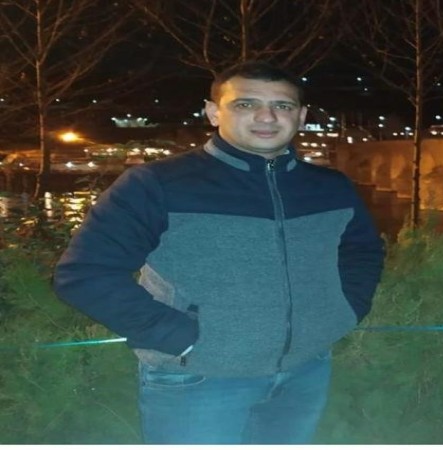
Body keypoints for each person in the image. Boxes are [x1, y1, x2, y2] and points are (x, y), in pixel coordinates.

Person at [53, 61, 385, 444]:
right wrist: (179, 337)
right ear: (214, 113)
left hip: (305, 371)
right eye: (245, 104)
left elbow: (361, 251)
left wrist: (343, 311)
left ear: (301, 116)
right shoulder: (158, 184)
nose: (266, 116)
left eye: (283, 105)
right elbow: (84, 274)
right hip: (197, 378)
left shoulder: (330, 187)